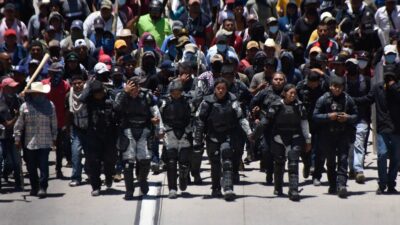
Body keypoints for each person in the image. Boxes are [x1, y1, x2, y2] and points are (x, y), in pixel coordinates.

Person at [194, 78, 252, 201]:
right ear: (214, 89)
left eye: (223, 89)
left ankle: (228, 188)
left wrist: (249, 133)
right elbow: (199, 121)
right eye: (218, 88)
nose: (221, 91)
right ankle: (215, 188)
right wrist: (198, 140)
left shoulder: (233, 101)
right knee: (215, 163)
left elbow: (241, 117)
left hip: (228, 136)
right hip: (212, 136)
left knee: (227, 160)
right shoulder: (206, 102)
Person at [114, 76, 164, 200]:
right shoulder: (121, 96)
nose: (134, 90)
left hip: (144, 130)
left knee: (145, 159)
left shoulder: (147, 96)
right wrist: (125, 93)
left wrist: (159, 129)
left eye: (135, 87)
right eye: (131, 87)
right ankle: (129, 190)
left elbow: (156, 112)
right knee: (128, 161)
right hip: (128, 130)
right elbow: (116, 108)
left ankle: (143, 181)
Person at [354, 65, 400, 194]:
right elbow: (367, 99)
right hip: (382, 127)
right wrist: (352, 100)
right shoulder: (377, 88)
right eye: (387, 75)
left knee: (396, 158)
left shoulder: (398, 89)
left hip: (397, 128)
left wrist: (394, 88)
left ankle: (391, 184)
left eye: (392, 76)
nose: (389, 78)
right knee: (382, 155)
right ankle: (382, 184)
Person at [262, 84, 311, 201]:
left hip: (295, 137)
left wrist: (308, 140)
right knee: (279, 163)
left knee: (293, 163)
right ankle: (278, 186)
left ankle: (293, 189)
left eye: (294, 93)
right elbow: (266, 122)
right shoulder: (276, 105)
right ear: (284, 93)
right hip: (278, 138)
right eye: (290, 93)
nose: (293, 95)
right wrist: (255, 135)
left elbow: (304, 124)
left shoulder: (300, 107)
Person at [313, 75, 358, 198]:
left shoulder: (348, 99)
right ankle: (333, 184)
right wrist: (328, 116)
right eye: (335, 87)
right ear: (330, 87)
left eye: (340, 87)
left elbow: (356, 116)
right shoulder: (323, 99)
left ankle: (342, 185)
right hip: (327, 135)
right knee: (331, 161)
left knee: (343, 160)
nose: (337, 89)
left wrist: (347, 118)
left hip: (343, 134)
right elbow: (315, 116)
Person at [14, 82, 57, 198]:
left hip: (45, 140)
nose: (37, 95)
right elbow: (19, 124)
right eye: (35, 93)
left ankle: (43, 187)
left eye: (39, 93)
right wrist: (17, 138)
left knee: (43, 165)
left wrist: (54, 138)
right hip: (29, 142)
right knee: (31, 166)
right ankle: (34, 186)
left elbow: (54, 122)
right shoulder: (25, 106)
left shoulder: (50, 105)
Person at [79, 80, 117, 197]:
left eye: (99, 92)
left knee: (109, 160)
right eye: (95, 93)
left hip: (109, 135)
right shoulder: (89, 100)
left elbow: (119, 109)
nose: (98, 95)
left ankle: (109, 176)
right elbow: (81, 99)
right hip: (93, 135)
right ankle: (96, 186)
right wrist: (89, 86)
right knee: (94, 162)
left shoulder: (110, 98)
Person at [159, 79, 193, 199]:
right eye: (174, 91)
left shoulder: (188, 101)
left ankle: (183, 176)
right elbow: (159, 117)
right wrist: (160, 130)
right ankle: (172, 188)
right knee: (171, 162)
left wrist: (192, 132)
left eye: (178, 91)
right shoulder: (164, 102)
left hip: (185, 132)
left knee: (183, 161)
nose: (176, 94)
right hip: (170, 132)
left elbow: (193, 117)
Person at [0, 78, 23, 191]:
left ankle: (18, 183)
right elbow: (8, 124)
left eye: (15, 87)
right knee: (2, 158)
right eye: (11, 87)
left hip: (14, 135)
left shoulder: (17, 100)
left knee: (15, 160)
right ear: (4, 88)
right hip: (2, 136)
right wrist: (17, 116)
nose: (14, 89)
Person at [66, 74, 88, 187]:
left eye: (80, 83)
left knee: (91, 155)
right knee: (76, 153)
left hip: (89, 129)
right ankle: (76, 177)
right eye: (75, 84)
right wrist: (67, 128)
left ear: (84, 83)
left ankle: (92, 175)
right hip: (76, 129)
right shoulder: (69, 96)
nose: (78, 85)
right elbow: (68, 113)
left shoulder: (89, 94)